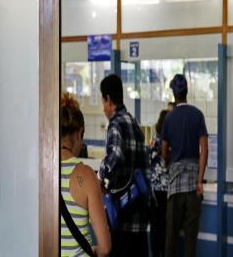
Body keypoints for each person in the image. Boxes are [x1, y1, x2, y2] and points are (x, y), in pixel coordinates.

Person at [98, 74, 150, 257]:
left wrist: (101, 176)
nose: (103, 108)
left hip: (124, 215)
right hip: (140, 215)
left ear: (109, 100)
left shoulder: (115, 124)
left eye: (103, 101)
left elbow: (115, 155)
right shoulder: (133, 122)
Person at [161, 74, 208, 257]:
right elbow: (204, 149)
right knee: (190, 243)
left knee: (170, 241)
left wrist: (170, 163)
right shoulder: (198, 115)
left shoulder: (169, 118)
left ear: (174, 93)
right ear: (187, 91)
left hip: (174, 186)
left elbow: (164, 151)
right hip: (193, 189)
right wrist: (199, 181)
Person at [60, 93, 111, 257]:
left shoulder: (41, 173)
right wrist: (92, 250)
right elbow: (105, 248)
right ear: (79, 133)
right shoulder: (87, 176)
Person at [148, 109, 170, 257]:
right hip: (165, 190)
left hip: (154, 190)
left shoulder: (154, 140)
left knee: (156, 227)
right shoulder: (165, 141)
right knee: (164, 227)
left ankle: (156, 253)